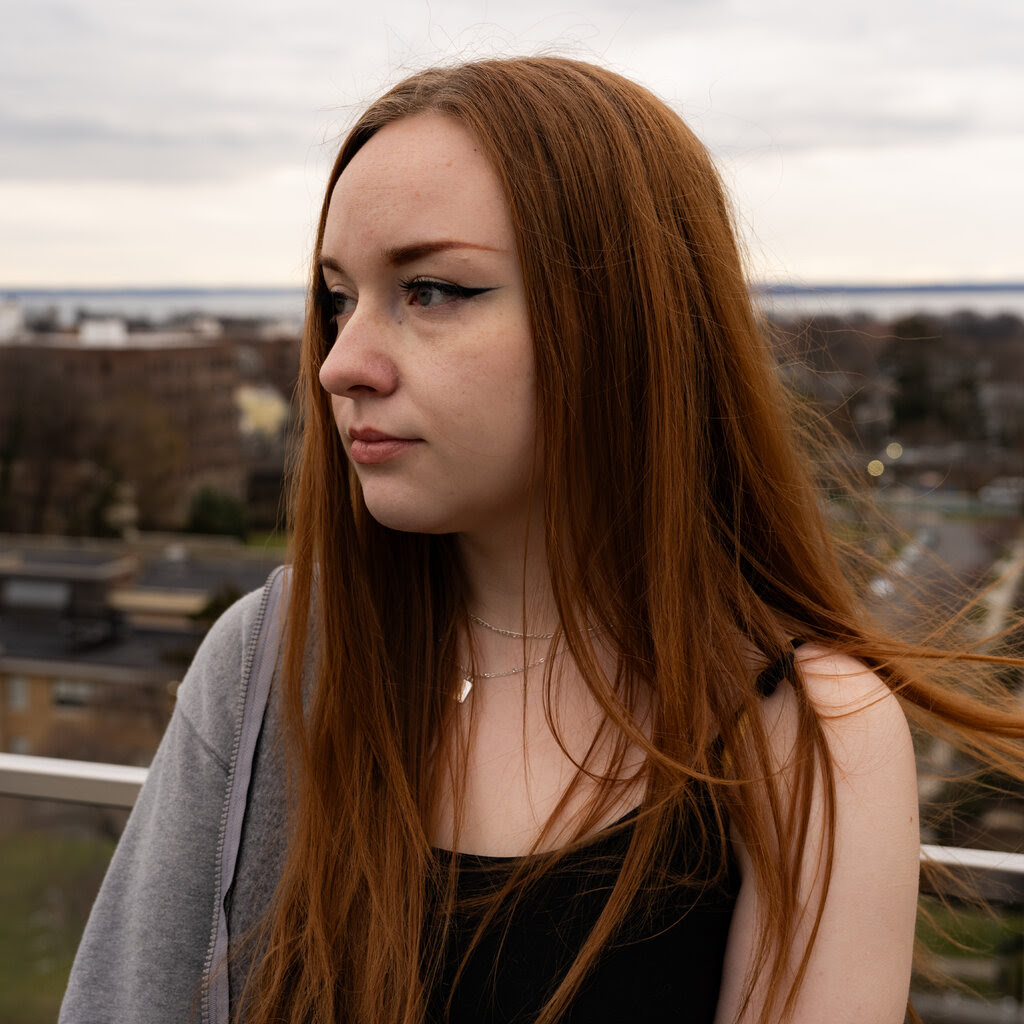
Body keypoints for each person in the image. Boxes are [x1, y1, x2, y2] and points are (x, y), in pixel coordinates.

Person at [60, 57, 1023, 1024]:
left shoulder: (806, 741)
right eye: (338, 299)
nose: (340, 364)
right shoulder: (266, 666)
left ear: (622, 322)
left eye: (431, 290)